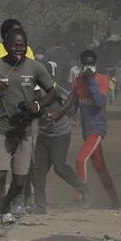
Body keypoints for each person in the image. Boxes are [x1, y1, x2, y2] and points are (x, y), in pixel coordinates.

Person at [0, 29, 58, 241]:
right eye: (15, 45)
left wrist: (36, 104)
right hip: (0, 129)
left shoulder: (34, 67)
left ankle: (6, 204)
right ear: (5, 44)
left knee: (20, 181)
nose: (19, 49)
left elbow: (52, 92)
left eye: (22, 45)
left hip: (23, 132)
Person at [51, 50, 120, 209]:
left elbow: (99, 103)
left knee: (80, 159)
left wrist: (91, 81)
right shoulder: (77, 81)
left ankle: (80, 197)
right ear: (81, 64)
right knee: (100, 167)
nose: (89, 67)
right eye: (85, 64)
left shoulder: (102, 79)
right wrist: (65, 112)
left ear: (96, 64)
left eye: (91, 64)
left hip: (98, 130)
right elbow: (74, 103)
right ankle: (115, 200)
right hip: (86, 130)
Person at [32, 82, 86, 214]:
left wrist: (60, 112)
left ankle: (84, 189)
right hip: (44, 134)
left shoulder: (53, 87)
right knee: (38, 170)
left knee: (59, 167)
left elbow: (71, 97)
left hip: (60, 134)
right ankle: (41, 205)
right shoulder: (28, 90)